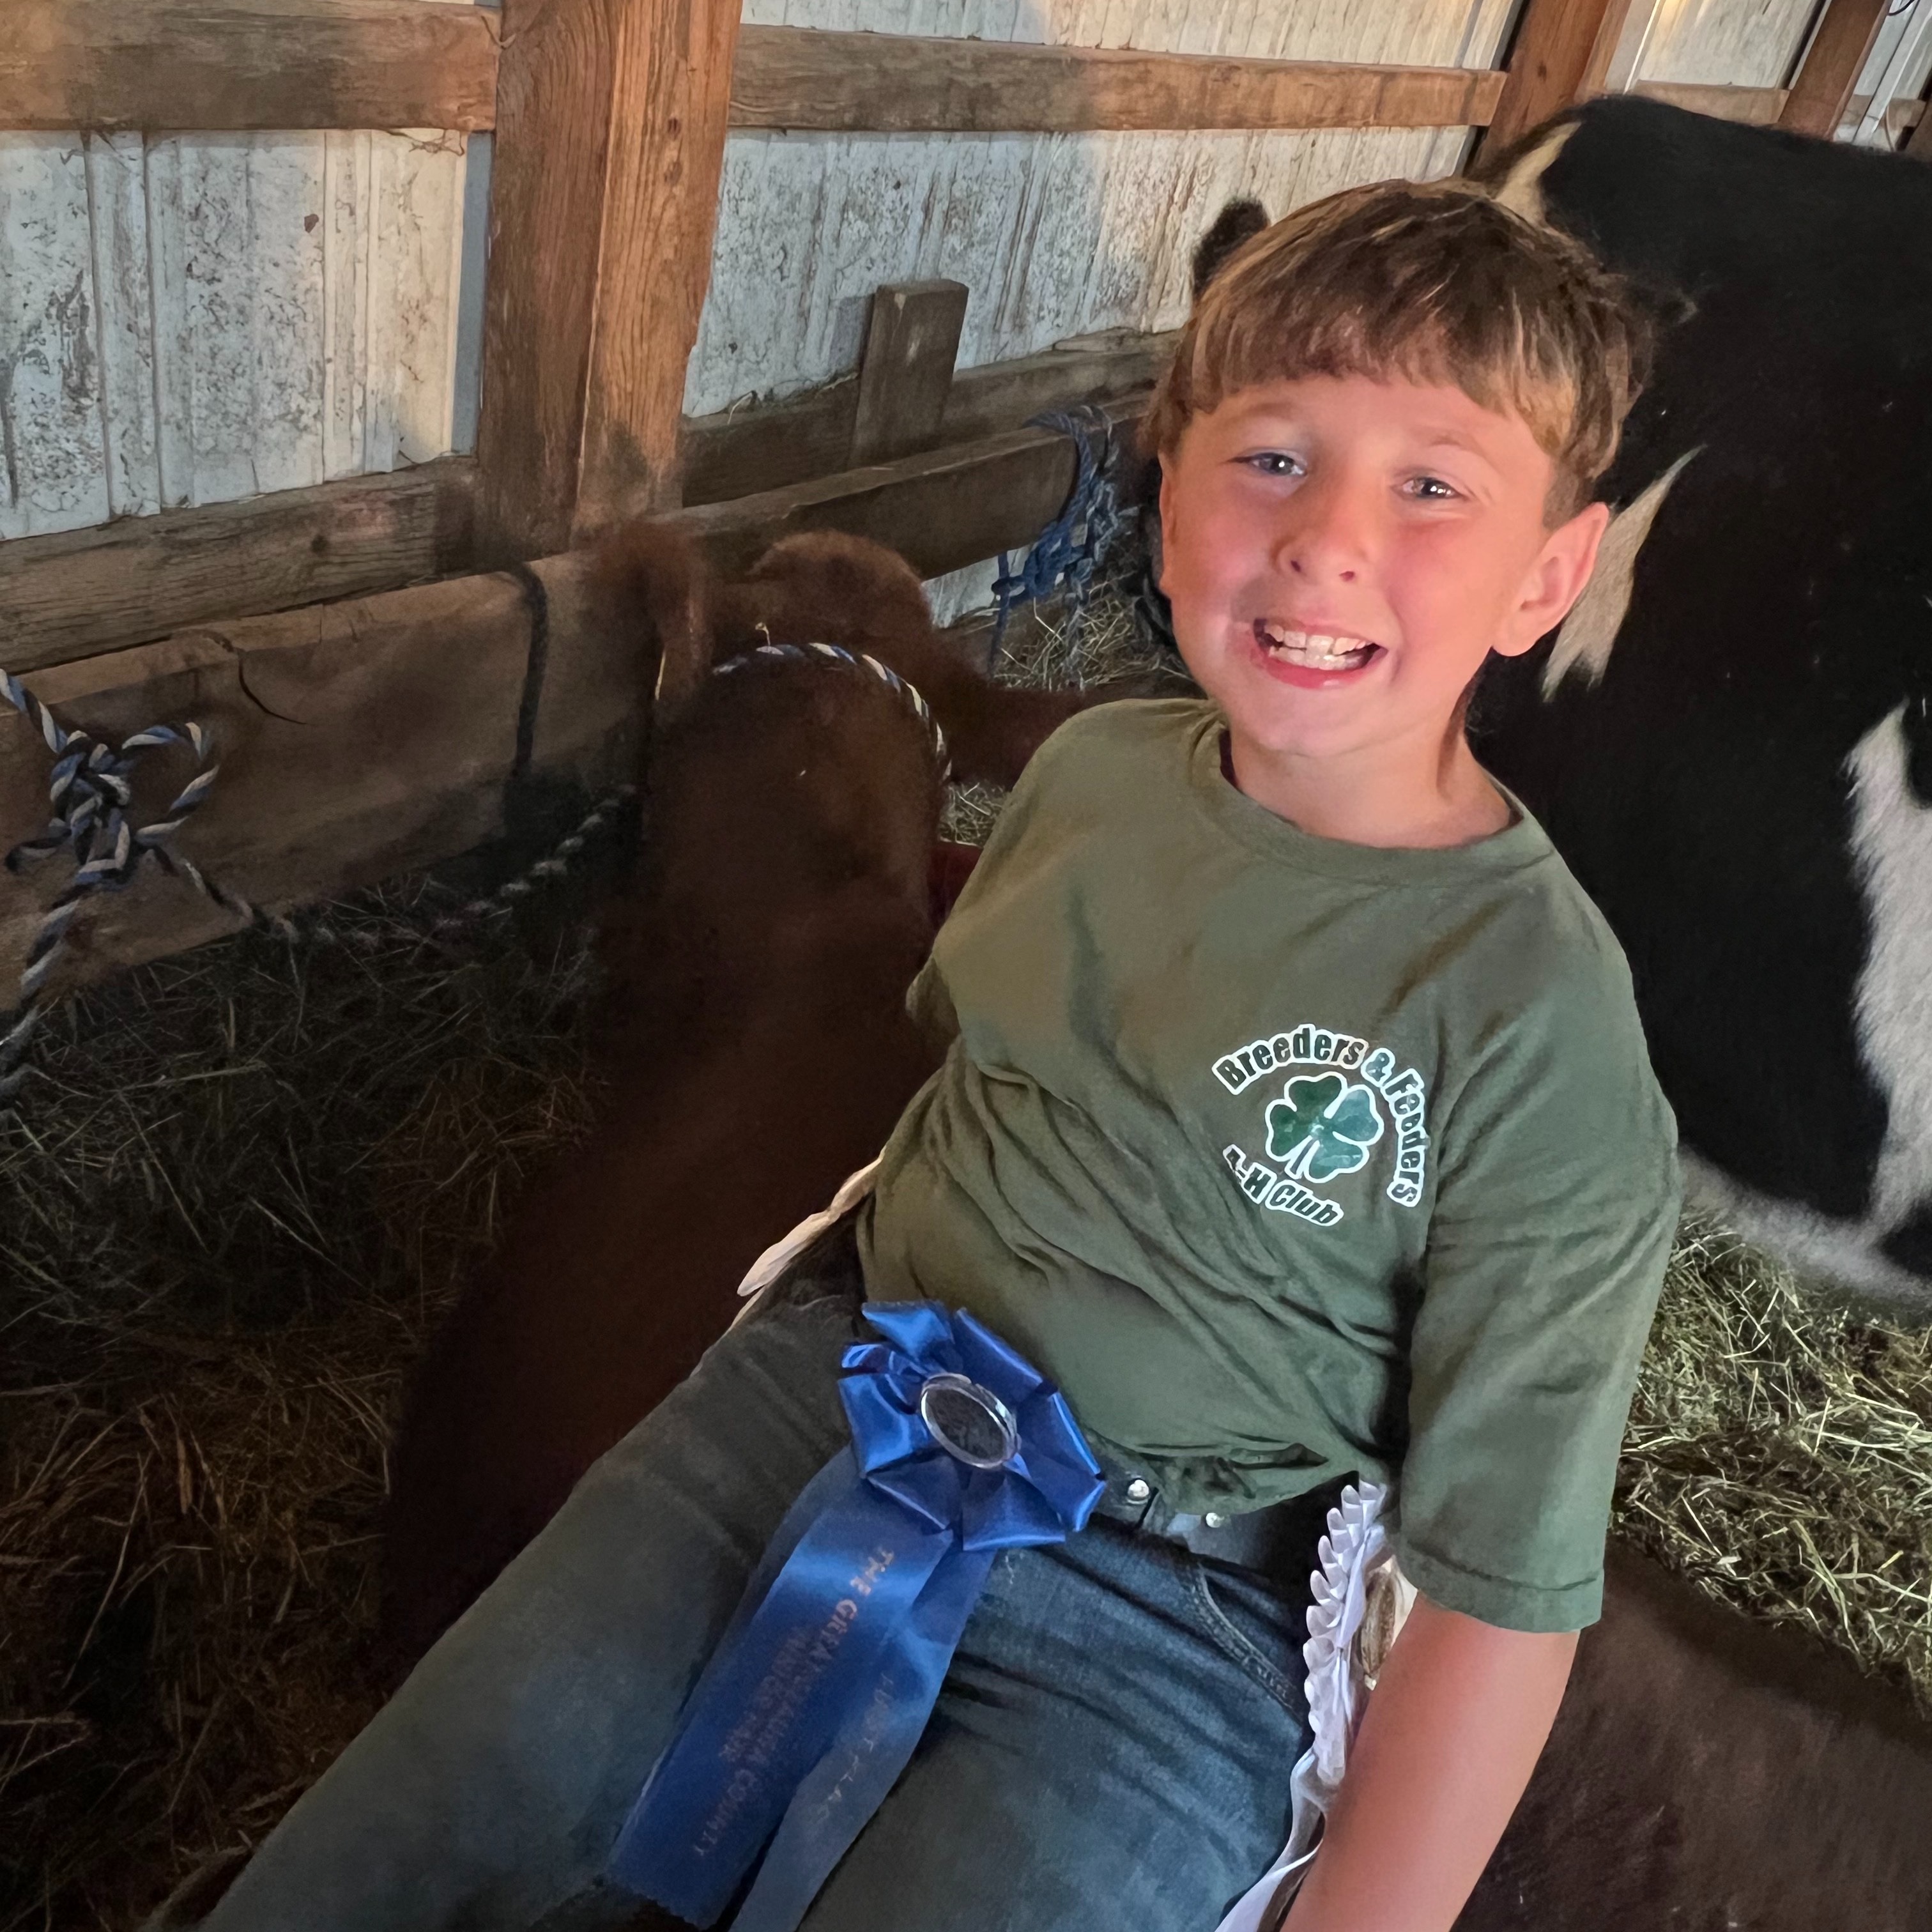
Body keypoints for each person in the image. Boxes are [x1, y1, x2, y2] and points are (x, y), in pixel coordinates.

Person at [178, 180, 1678, 1932]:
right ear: (1168, 481)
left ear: (1551, 577)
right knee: (375, 1862)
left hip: (1166, 1620)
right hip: (814, 1408)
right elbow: (957, 1086)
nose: (1329, 538)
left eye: (1433, 485)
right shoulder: (1095, 777)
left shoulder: (1539, 1037)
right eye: (1272, 454)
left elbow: (1503, 1595)